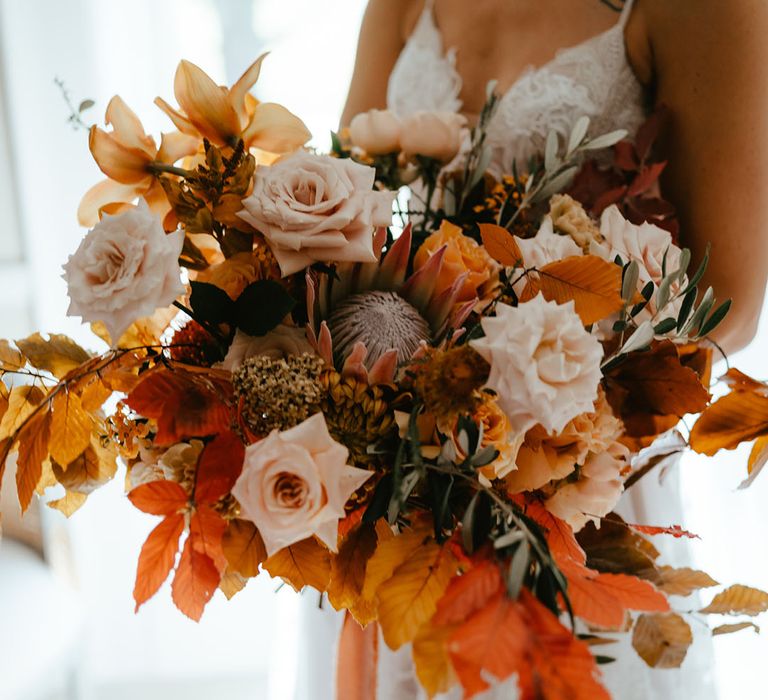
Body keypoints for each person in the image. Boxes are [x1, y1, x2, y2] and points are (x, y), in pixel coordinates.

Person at [298, 1, 768, 698]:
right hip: (391, 479)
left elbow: (724, 300)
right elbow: (339, 220)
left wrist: (518, 394)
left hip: (571, 473)